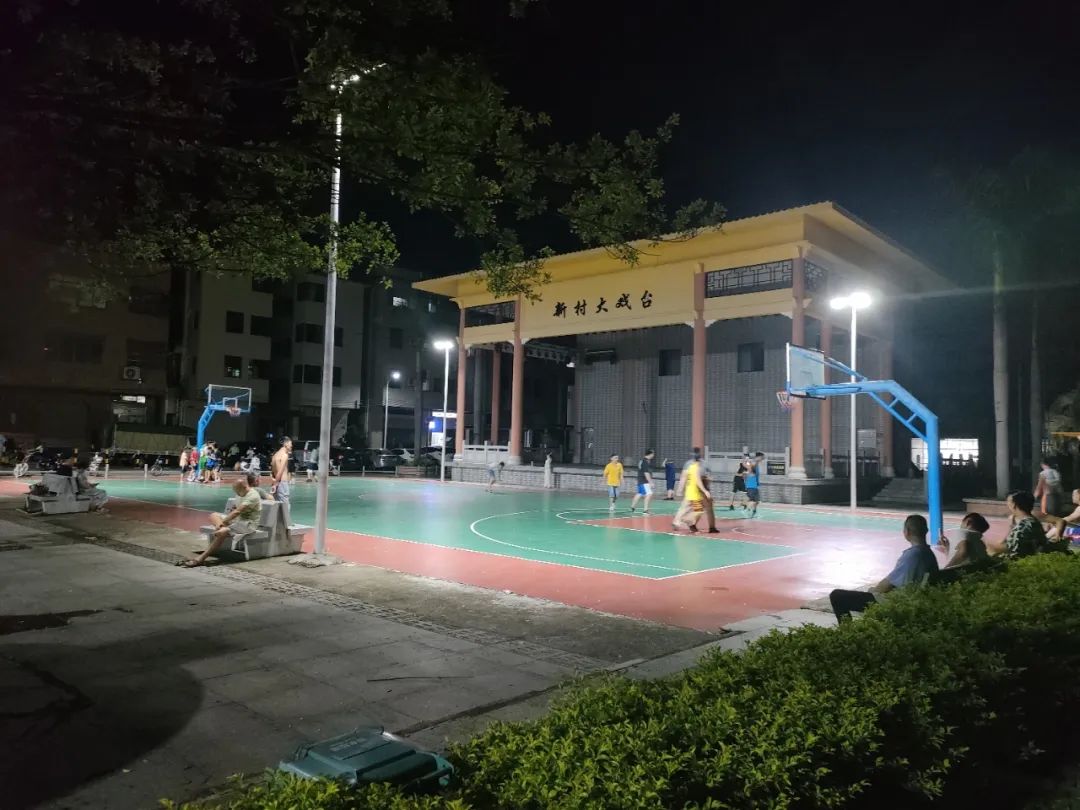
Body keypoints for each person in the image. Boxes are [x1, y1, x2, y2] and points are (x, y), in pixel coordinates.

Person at [829, 514, 939, 621]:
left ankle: (847, 629)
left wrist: (872, 591)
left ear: (907, 532)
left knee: (837, 596)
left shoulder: (911, 555)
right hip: (913, 600)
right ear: (926, 531)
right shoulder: (929, 554)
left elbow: (886, 585)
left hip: (896, 603)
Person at [179, 478, 263, 567]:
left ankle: (200, 558)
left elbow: (237, 512)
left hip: (248, 524)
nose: (237, 493)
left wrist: (223, 521)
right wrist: (222, 524)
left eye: (237, 491)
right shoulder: (240, 493)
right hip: (237, 521)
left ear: (244, 487)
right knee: (213, 515)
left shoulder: (252, 496)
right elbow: (235, 508)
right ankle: (221, 529)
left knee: (223, 532)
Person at [986, 490, 1046, 559]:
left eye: (1008, 502)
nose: (1007, 504)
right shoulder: (1032, 522)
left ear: (1014, 505)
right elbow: (1007, 542)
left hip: (1016, 560)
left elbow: (1009, 549)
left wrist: (987, 545)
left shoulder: (1024, 526)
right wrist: (1012, 526)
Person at [673, 448, 709, 532]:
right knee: (699, 510)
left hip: (691, 491)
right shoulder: (695, 466)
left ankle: (680, 522)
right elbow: (697, 480)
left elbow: (684, 477)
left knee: (686, 508)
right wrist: (705, 490)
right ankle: (686, 520)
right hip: (695, 492)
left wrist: (680, 489)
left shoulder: (692, 465)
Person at [271, 437, 293, 526]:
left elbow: (273, 470)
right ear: (285, 444)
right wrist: (276, 484)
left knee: (276, 504)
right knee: (285, 505)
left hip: (275, 481)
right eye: (290, 444)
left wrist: (274, 482)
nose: (291, 446)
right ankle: (286, 525)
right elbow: (280, 471)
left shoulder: (275, 455)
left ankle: (277, 525)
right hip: (282, 483)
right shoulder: (284, 455)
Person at [630, 450, 655, 515]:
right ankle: (645, 510)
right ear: (650, 454)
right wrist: (650, 482)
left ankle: (632, 507)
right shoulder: (645, 462)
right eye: (653, 454)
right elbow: (646, 473)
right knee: (649, 494)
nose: (653, 455)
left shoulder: (642, 461)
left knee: (640, 493)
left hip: (640, 480)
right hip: (644, 481)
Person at [744, 452, 766, 518]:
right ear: (758, 457)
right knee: (753, 500)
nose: (763, 459)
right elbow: (748, 468)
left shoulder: (756, 463)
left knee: (757, 501)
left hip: (755, 485)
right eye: (762, 457)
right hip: (751, 485)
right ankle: (746, 510)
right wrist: (748, 472)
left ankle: (754, 512)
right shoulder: (753, 463)